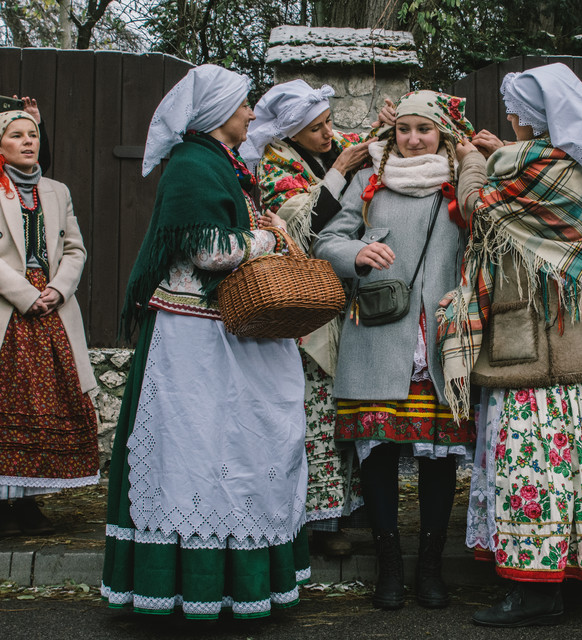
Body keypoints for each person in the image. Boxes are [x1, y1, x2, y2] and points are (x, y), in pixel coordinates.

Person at [443, 63, 582, 627]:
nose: (511, 117)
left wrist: (470, 159)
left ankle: (536, 589)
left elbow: (476, 206)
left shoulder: (523, 167)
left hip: (536, 338)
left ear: (525, 117)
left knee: (535, 461)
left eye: (514, 109)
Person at [101, 64, 311, 619]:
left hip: (224, 330)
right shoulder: (193, 165)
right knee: (200, 451)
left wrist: (257, 227)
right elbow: (210, 252)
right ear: (219, 113)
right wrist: (268, 236)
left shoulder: (220, 163)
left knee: (234, 448)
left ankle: (230, 584)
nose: (251, 113)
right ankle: (191, 584)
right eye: (244, 105)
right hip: (193, 338)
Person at [313, 90, 476, 610]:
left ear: (442, 135)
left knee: (438, 461)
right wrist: (357, 252)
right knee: (378, 453)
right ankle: (388, 568)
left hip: (440, 341)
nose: (411, 139)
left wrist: (468, 290)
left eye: (423, 129)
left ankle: (428, 569)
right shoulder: (370, 179)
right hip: (378, 335)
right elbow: (327, 240)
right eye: (403, 129)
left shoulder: (462, 181)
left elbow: (486, 243)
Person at [242, 79, 372, 558]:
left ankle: (337, 509)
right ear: (292, 132)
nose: (328, 134)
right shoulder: (273, 166)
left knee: (335, 411)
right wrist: (338, 170)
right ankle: (313, 521)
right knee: (311, 410)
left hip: (335, 295)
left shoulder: (324, 153)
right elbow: (301, 224)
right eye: (316, 128)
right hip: (299, 305)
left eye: (329, 124)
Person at [0, 110, 99, 536]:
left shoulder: (56, 191)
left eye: (33, 134)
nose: (28, 141)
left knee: (48, 406)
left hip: (53, 309)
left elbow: (74, 248)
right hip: (9, 310)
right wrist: (24, 295)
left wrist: (58, 290)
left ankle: (27, 502)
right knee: (11, 404)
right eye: (16, 135)